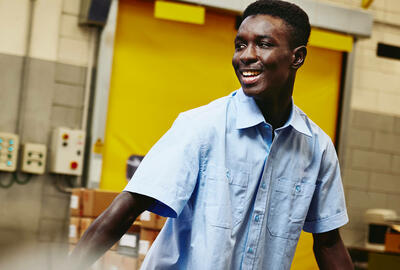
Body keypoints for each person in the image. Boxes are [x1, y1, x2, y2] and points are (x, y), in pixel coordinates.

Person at [70, 0, 353, 269]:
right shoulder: (202, 127)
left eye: (264, 44)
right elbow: (129, 207)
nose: (246, 55)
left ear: (297, 57)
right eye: (240, 44)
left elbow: (328, 242)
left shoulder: (317, 148)